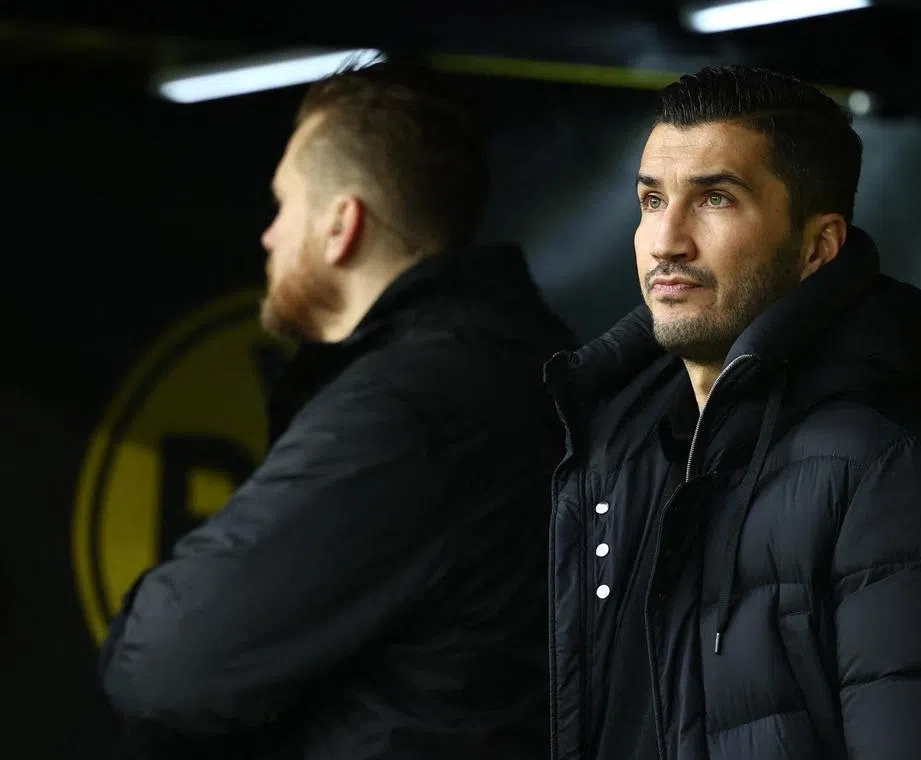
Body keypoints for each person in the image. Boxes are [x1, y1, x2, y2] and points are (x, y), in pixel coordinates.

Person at [544, 65, 921, 759]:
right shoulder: (617, 459)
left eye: (715, 198)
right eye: (652, 201)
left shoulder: (899, 484)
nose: (666, 241)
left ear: (817, 248)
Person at [100, 58, 576, 759]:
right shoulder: (527, 363)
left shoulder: (411, 406)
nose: (267, 236)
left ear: (339, 225)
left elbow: (164, 664)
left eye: (283, 204)